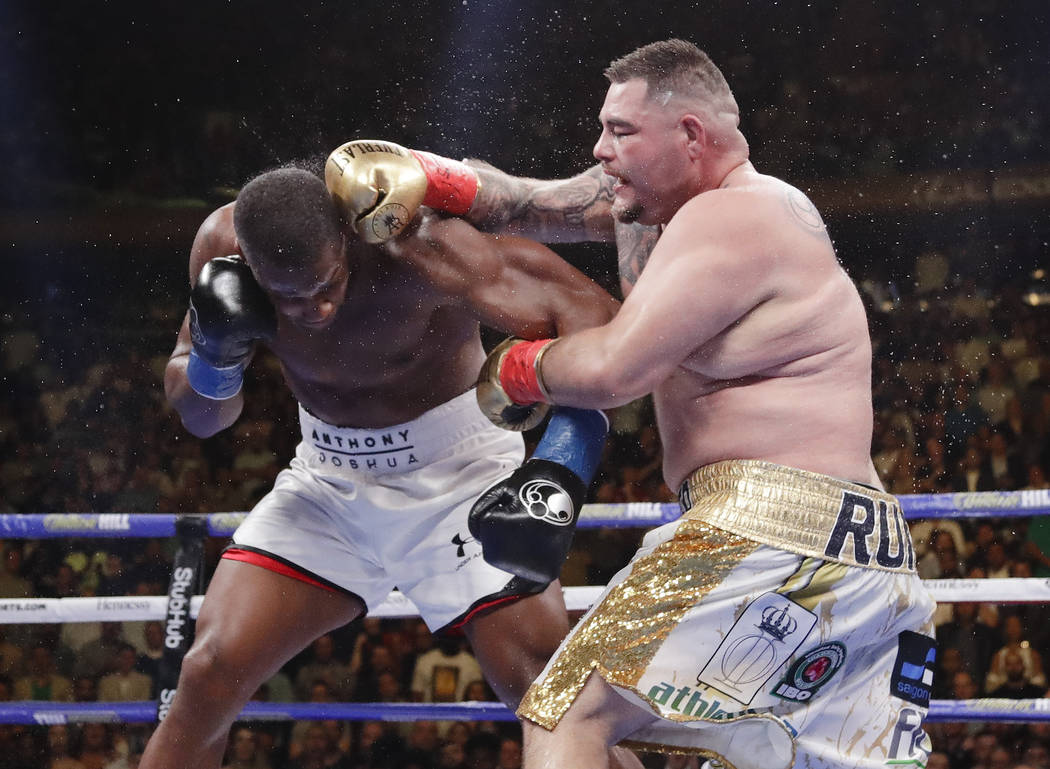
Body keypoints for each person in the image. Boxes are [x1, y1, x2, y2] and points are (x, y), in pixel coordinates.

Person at [333, 39, 936, 769]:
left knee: (568, 709)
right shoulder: (665, 211)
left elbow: (615, 370)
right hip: (867, 550)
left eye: (621, 131)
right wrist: (422, 175)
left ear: (690, 136)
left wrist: (515, 369)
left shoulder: (734, 215)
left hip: (771, 526)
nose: (600, 148)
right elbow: (520, 200)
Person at [141, 161, 631, 769]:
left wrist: (563, 461)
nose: (316, 309)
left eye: (329, 284)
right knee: (208, 674)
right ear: (251, 268)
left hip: (460, 474)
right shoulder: (221, 248)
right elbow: (203, 418)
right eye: (289, 298)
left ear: (346, 240)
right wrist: (215, 357)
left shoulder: (419, 244)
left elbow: (594, 314)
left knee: (544, 689)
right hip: (328, 481)